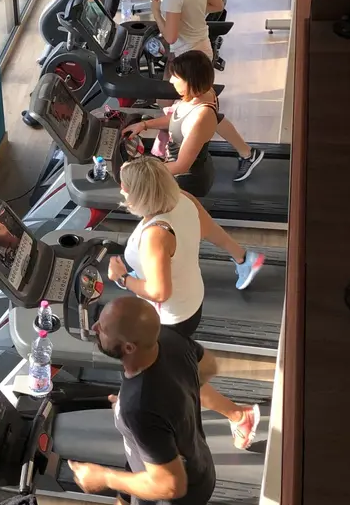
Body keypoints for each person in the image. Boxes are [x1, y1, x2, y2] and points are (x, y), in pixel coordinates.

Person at [68, 296, 253, 505]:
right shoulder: (167, 338)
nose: (94, 328)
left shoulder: (140, 407)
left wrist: (102, 477)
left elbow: (170, 486)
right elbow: (209, 365)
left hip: (175, 494)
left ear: (128, 347)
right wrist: (169, 403)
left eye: (102, 329)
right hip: (167, 459)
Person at [106, 156, 263, 450]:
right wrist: (238, 254)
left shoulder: (155, 236)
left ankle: (239, 415)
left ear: (139, 193)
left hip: (169, 317)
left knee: (179, 379)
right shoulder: (182, 198)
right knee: (183, 361)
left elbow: (159, 291)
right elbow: (207, 229)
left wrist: (122, 278)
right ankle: (198, 362)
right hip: (191, 300)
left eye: (125, 187)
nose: (122, 190)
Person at [123, 49, 266, 191]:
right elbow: (178, 120)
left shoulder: (201, 117)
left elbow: (181, 166)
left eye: (176, 77)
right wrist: (144, 124)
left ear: (190, 81)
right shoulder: (204, 93)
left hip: (185, 182)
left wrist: (140, 174)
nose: (171, 80)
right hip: (177, 168)